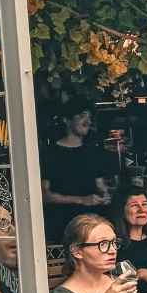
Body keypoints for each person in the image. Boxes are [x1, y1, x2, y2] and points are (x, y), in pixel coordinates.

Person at [42, 103, 109, 242]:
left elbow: (100, 185)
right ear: (67, 120)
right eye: (82, 116)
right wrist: (82, 200)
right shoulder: (50, 153)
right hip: (60, 224)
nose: (88, 121)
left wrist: (105, 196)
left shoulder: (93, 152)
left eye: (89, 117)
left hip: (91, 223)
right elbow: (44, 195)